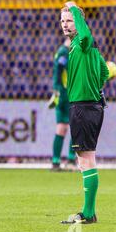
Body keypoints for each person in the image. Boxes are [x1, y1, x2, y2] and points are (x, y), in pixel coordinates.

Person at [59, 2, 110, 225]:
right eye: (62, 21)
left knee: (86, 161)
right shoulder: (90, 49)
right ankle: (88, 212)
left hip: (83, 108)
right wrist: (94, 87)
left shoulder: (83, 42)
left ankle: (88, 214)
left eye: (69, 20)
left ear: (79, 23)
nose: (65, 24)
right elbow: (105, 72)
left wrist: (73, 7)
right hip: (93, 106)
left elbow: (86, 34)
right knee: (85, 159)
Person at [47, 37, 76, 171]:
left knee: (62, 128)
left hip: (64, 93)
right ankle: (70, 160)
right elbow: (60, 71)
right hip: (67, 94)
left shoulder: (63, 52)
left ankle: (56, 162)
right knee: (74, 128)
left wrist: (55, 89)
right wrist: (57, 89)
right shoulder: (65, 52)